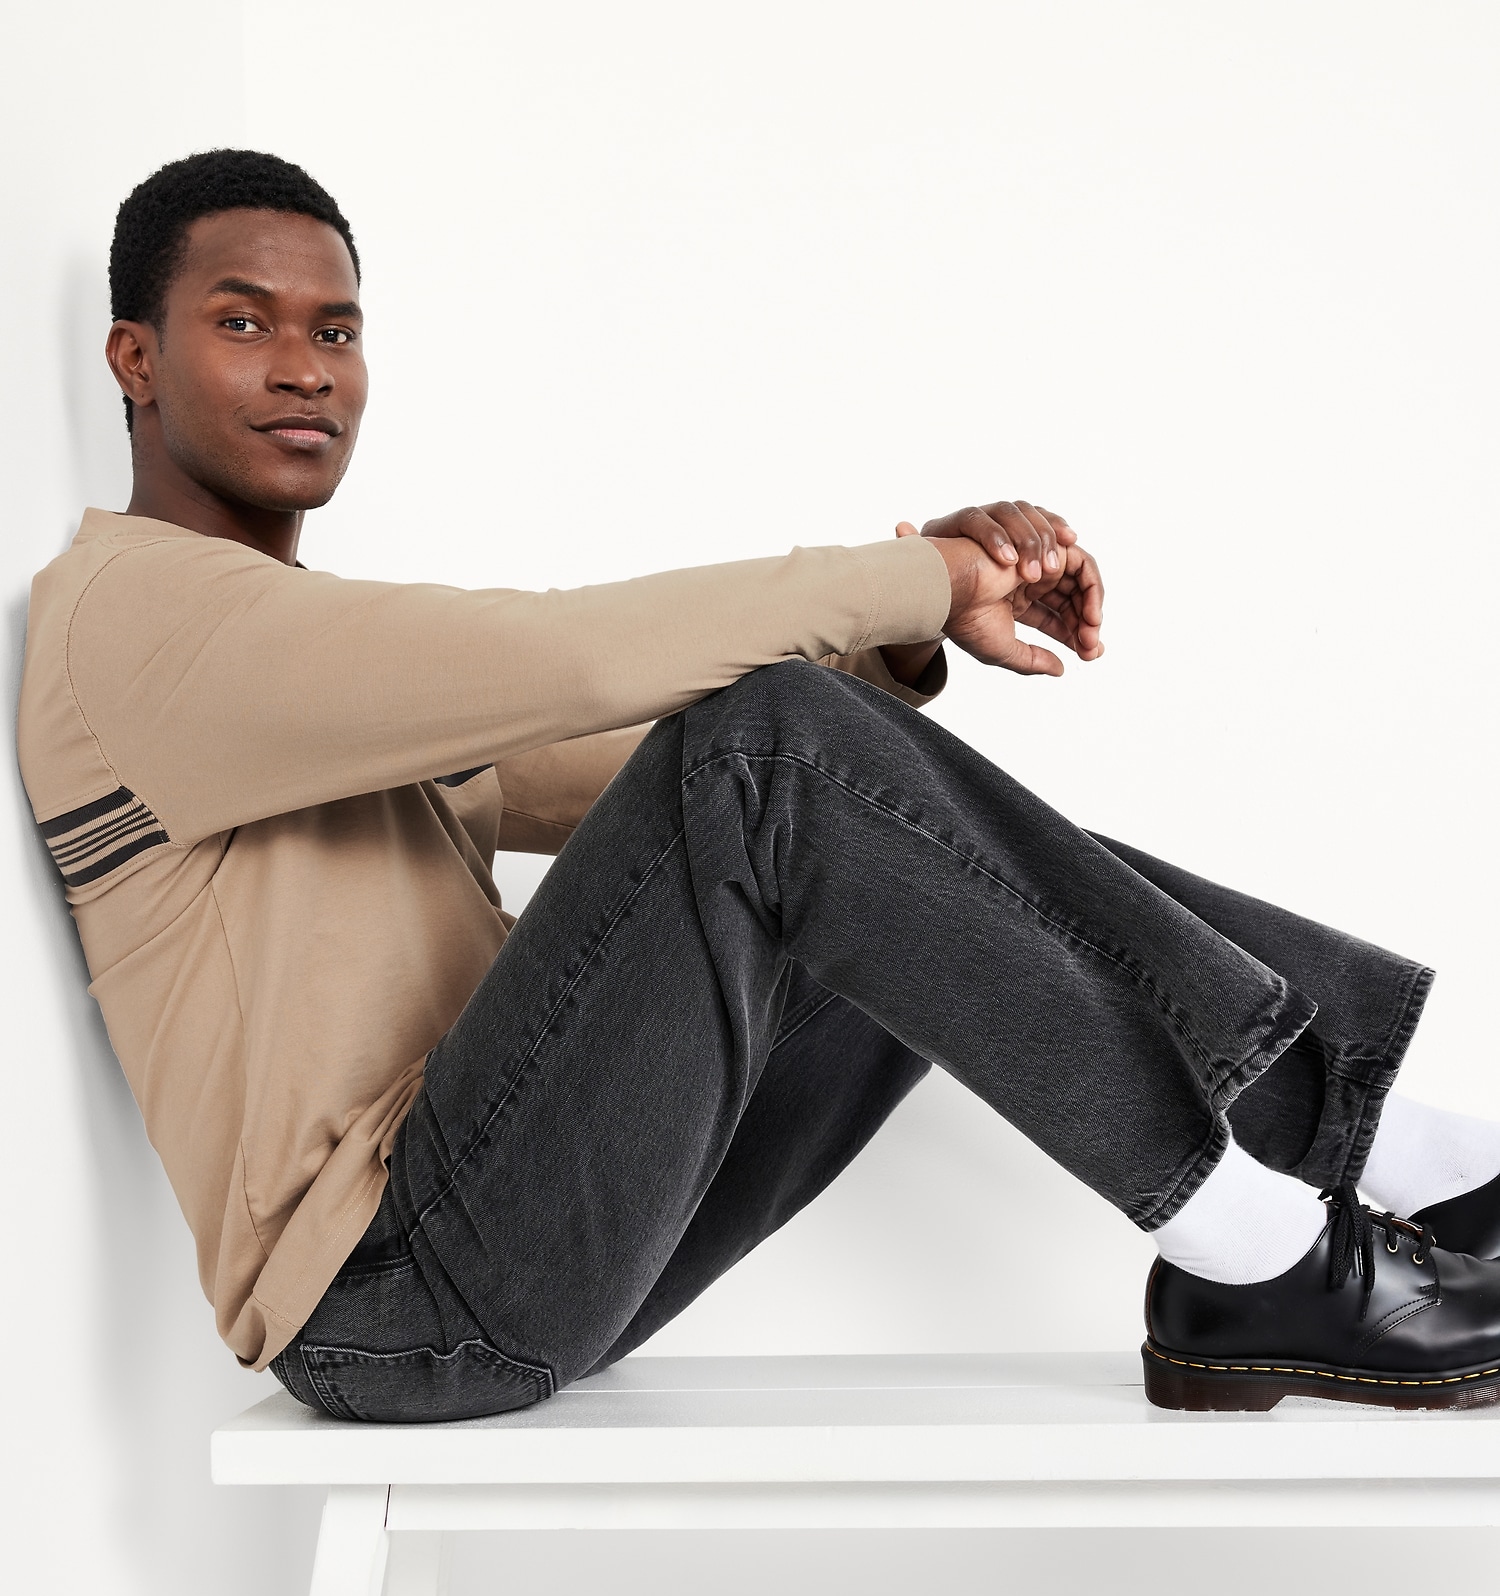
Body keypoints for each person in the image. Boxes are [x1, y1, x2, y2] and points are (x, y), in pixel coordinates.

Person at [20, 148, 1500, 1425]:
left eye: (335, 330)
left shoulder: (297, 666)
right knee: (781, 760)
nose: (304, 366)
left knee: (894, 842)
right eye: (243, 323)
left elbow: (663, 776)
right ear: (134, 359)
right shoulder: (134, 625)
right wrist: (919, 574)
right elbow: (584, 666)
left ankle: (1382, 1173)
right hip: (392, 1300)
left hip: (527, 1225)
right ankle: (1276, 1244)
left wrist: (901, 639)